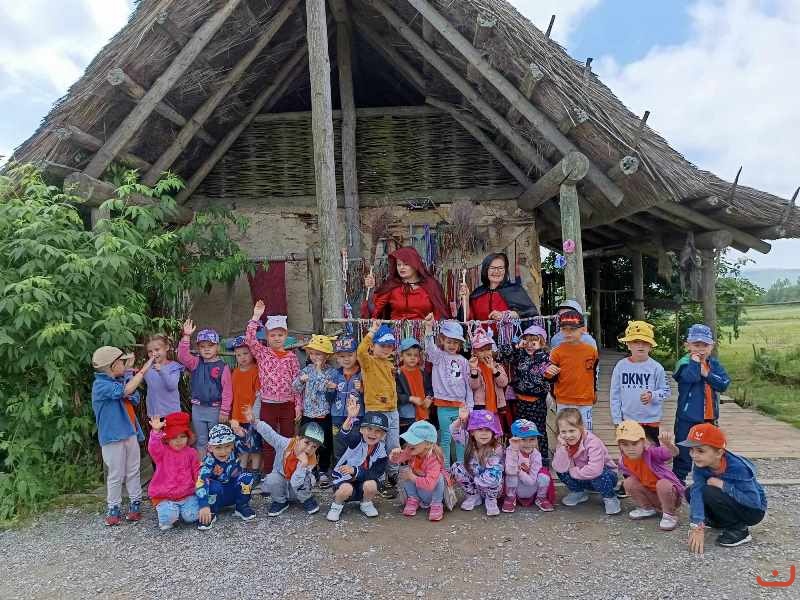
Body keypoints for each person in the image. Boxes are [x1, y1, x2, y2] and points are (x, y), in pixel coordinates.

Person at [91, 346, 152, 526]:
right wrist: (142, 371)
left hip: (129, 432)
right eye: (121, 362)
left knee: (133, 470)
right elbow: (125, 391)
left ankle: (135, 503)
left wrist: (128, 374)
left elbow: (134, 397)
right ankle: (113, 507)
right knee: (116, 474)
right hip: (112, 437)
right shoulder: (101, 385)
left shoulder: (119, 380)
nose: (124, 365)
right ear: (112, 365)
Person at [682, 423, 767, 552]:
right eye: (691, 450)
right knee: (691, 491)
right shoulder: (701, 464)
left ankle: (739, 530)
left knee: (708, 491)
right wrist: (697, 524)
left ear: (719, 453)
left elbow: (753, 502)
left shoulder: (738, 468)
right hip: (731, 502)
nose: (694, 455)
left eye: (700, 451)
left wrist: (724, 486)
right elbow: (697, 492)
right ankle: (719, 522)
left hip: (753, 511)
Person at [245, 301, 302, 478]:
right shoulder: (262, 353)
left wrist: (298, 405)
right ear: (267, 336)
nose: (277, 338)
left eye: (280, 335)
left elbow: (297, 383)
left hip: (287, 404)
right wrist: (256, 317)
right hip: (268, 404)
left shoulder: (292, 357)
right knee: (268, 440)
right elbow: (250, 339)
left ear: (286, 336)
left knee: (288, 440)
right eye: (273, 335)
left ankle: (287, 472)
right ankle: (269, 473)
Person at [672, 324, 731, 483]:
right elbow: (691, 377)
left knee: (708, 450)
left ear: (711, 346)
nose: (701, 349)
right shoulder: (684, 363)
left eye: (705, 345)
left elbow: (724, 384)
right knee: (683, 451)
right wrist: (695, 362)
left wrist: (707, 374)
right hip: (687, 418)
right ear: (688, 346)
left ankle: (706, 481)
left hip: (708, 418)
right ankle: (678, 482)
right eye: (696, 345)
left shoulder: (714, 365)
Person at [244, 405, 324, 517]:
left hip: (296, 488)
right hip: (282, 481)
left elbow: (297, 482)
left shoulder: (311, 460)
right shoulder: (285, 443)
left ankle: (306, 499)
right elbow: (270, 434)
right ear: (298, 438)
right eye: (306, 443)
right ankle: (280, 501)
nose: (309, 449)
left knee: (308, 479)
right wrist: (255, 421)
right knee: (271, 479)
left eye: (314, 447)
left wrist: (303, 465)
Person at [357, 321, 402, 496]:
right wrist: (371, 332)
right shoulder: (369, 362)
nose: (386, 349)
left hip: (392, 411)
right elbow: (361, 352)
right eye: (382, 345)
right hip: (376, 411)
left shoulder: (390, 364)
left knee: (394, 445)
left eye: (389, 346)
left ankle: (392, 475)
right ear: (373, 345)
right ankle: (379, 478)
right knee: (378, 446)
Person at [326, 398, 389, 522]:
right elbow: (344, 436)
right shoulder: (356, 440)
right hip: (345, 482)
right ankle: (336, 505)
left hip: (362, 483)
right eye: (369, 429)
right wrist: (350, 417)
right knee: (346, 489)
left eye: (378, 431)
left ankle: (366, 503)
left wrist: (355, 471)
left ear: (383, 435)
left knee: (372, 485)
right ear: (361, 430)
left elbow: (375, 473)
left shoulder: (381, 450)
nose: (373, 434)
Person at [615, 420, 684, 531]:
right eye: (625, 444)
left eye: (635, 443)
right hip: (651, 495)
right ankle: (647, 508)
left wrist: (668, 444)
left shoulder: (652, 452)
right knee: (628, 482)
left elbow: (674, 453)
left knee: (662, 484)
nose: (630, 448)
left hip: (670, 495)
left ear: (643, 442)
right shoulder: (623, 461)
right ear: (619, 446)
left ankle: (669, 514)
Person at [177, 320, 233, 456]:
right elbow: (182, 356)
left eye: (210, 345)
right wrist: (186, 336)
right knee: (201, 440)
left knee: (216, 440)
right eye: (202, 346)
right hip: (197, 408)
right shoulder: (196, 362)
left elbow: (227, 391)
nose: (206, 349)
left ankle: (217, 463)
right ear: (198, 348)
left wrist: (225, 411)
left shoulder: (223, 367)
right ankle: (202, 464)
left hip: (215, 409)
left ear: (217, 347)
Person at [498, 324, 552, 465]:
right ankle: (519, 457)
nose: (530, 345)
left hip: (537, 401)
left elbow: (550, 378)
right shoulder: (520, 355)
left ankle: (543, 459)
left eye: (534, 341)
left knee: (539, 430)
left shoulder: (545, 357)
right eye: (526, 341)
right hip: (521, 400)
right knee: (520, 428)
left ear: (542, 342)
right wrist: (517, 345)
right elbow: (503, 353)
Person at [610, 321, 671, 444]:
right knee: (629, 450)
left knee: (652, 451)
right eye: (636, 342)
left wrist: (652, 395)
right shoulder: (621, 366)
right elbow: (615, 395)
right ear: (628, 345)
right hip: (628, 420)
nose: (640, 345)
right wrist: (617, 420)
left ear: (651, 346)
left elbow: (666, 391)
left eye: (645, 342)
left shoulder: (657, 368)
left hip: (651, 421)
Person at [424, 318, 474, 468]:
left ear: (460, 344)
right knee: (446, 437)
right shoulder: (438, 357)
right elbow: (430, 349)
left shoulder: (464, 361)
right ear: (442, 340)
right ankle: (445, 469)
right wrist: (428, 330)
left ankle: (461, 468)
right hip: (444, 406)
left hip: (460, 406)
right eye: (449, 341)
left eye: (455, 342)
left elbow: (468, 385)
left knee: (460, 438)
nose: (452, 345)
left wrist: (469, 405)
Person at [552, 408, 620, 515]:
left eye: (572, 431)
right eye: (563, 432)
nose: (568, 436)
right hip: (582, 476)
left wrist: (573, 472)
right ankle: (578, 492)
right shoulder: (563, 442)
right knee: (561, 469)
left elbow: (595, 470)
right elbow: (558, 467)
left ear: (581, 427)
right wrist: (563, 447)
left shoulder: (593, 442)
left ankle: (610, 497)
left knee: (599, 474)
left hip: (606, 477)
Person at [293, 334, 337, 488]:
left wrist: (318, 371)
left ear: (327, 356)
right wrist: (301, 380)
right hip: (308, 415)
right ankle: (310, 469)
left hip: (324, 415)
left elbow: (322, 387)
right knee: (307, 443)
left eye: (318, 354)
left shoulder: (332, 372)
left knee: (324, 444)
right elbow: (295, 388)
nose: (314, 357)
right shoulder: (306, 370)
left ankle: (324, 470)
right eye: (312, 353)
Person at [362, 247, 451, 320]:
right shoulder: (392, 286)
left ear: (415, 265)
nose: (401, 267)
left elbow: (440, 313)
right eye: (399, 264)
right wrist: (371, 289)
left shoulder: (431, 285)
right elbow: (374, 310)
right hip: (397, 333)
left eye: (406, 264)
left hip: (424, 332)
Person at [194, 423, 256, 530]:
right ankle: (211, 512)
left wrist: (241, 434)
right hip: (216, 497)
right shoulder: (208, 461)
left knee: (247, 477)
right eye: (218, 447)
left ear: (232, 445)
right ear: (210, 448)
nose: (223, 451)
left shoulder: (235, 452)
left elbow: (248, 446)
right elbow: (200, 481)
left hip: (232, 492)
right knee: (214, 485)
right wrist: (204, 505)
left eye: (227, 446)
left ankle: (241, 506)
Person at [546, 310, 599, 431]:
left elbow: (593, 374)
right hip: (564, 400)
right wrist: (548, 372)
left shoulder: (591, 351)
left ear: (583, 329)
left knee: (586, 432)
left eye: (573, 329)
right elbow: (549, 378)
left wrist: (595, 391)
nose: (568, 332)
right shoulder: (556, 352)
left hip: (585, 400)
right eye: (564, 329)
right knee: (565, 431)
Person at [146, 412, 200, 531]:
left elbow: (196, 471)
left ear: (188, 437)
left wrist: (200, 486)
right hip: (165, 496)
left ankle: (180, 511)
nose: (179, 441)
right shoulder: (162, 452)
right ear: (166, 438)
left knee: (193, 517)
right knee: (168, 520)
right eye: (174, 437)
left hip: (186, 494)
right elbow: (153, 448)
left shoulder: (191, 452)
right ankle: (168, 511)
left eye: (182, 436)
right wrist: (156, 432)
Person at [450, 408, 505, 516]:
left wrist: (476, 480)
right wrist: (461, 419)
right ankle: (474, 496)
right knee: (456, 467)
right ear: (472, 432)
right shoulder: (468, 441)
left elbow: (492, 475)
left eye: (488, 430)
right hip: (476, 484)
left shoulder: (497, 448)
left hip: (491, 488)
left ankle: (491, 500)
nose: (484, 434)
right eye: (480, 429)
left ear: (493, 432)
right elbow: (454, 430)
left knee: (495, 471)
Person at [390, 421, 447, 521]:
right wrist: (394, 455)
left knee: (439, 477)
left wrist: (412, 477)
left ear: (428, 444)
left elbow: (430, 485)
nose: (409, 443)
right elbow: (399, 458)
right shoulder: (413, 450)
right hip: (420, 489)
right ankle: (413, 499)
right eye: (409, 439)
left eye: (413, 440)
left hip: (432, 492)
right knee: (405, 470)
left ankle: (437, 504)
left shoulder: (434, 459)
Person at [458, 252, 539, 323]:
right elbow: (466, 320)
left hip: (509, 335)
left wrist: (506, 315)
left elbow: (531, 313)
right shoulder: (477, 294)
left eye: (500, 268)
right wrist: (466, 299)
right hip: (482, 336)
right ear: (486, 270)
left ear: (505, 270)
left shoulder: (515, 291)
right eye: (492, 268)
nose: (496, 271)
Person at [326, 336, 364, 466]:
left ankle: (354, 470)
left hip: (357, 416)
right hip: (337, 417)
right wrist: (330, 390)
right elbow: (329, 399)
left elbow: (369, 397)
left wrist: (362, 389)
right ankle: (338, 470)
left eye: (350, 355)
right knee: (338, 444)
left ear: (356, 354)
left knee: (355, 443)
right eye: (342, 356)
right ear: (337, 357)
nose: (346, 359)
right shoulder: (334, 374)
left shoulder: (362, 374)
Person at [228, 335, 261, 479]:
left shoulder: (256, 371)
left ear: (252, 353)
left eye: (246, 353)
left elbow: (259, 395)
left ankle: (255, 471)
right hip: (238, 417)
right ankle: (242, 470)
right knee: (241, 446)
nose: (242, 357)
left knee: (255, 446)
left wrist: (255, 414)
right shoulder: (234, 373)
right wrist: (232, 418)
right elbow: (232, 397)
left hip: (252, 417)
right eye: (238, 354)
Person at [503, 419, 554, 513]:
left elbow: (531, 481)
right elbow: (510, 471)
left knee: (544, 475)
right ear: (515, 439)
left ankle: (541, 497)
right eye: (523, 439)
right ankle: (510, 497)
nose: (528, 443)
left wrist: (519, 472)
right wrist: (514, 451)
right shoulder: (510, 450)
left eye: (532, 439)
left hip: (531, 486)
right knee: (511, 475)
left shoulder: (536, 455)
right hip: (516, 487)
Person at [468, 327, 509, 419]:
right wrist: (474, 369)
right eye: (481, 351)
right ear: (475, 353)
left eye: (488, 349)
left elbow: (503, 383)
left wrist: (493, 369)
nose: (486, 353)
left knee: (496, 427)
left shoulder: (497, 366)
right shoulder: (473, 367)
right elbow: (474, 386)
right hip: (481, 407)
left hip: (496, 407)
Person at [396, 337, 434, 435]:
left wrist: (429, 398)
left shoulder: (422, 372)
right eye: (409, 354)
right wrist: (411, 398)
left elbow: (429, 389)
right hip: (407, 414)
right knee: (407, 439)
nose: (412, 358)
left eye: (416, 355)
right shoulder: (398, 373)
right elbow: (396, 394)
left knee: (421, 438)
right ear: (401, 356)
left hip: (423, 413)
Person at [143, 334, 184, 418]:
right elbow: (138, 381)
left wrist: (161, 371)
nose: (154, 354)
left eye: (157, 349)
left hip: (172, 413)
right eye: (150, 351)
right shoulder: (147, 367)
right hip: (154, 414)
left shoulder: (174, 367)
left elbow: (171, 386)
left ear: (166, 347)